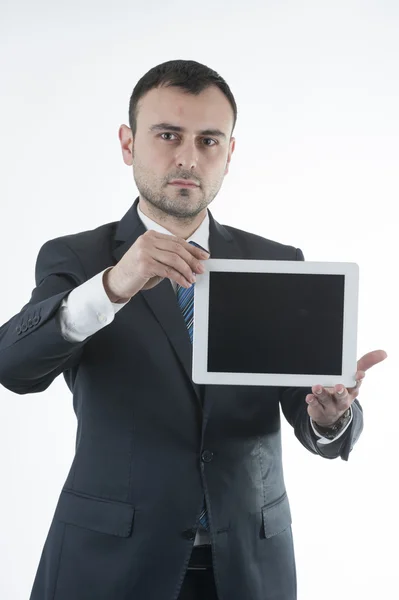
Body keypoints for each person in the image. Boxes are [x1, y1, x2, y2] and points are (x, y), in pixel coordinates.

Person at [0, 59, 387, 600]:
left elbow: (309, 407)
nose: (187, 156)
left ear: (229, 153)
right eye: (168, 135)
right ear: (128, 143)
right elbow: (14, 367)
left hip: (249, 568)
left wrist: (329, 414)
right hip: (108, 567)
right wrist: (113, 285)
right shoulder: (77, 258)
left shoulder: (277, 262)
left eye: (209, 140)